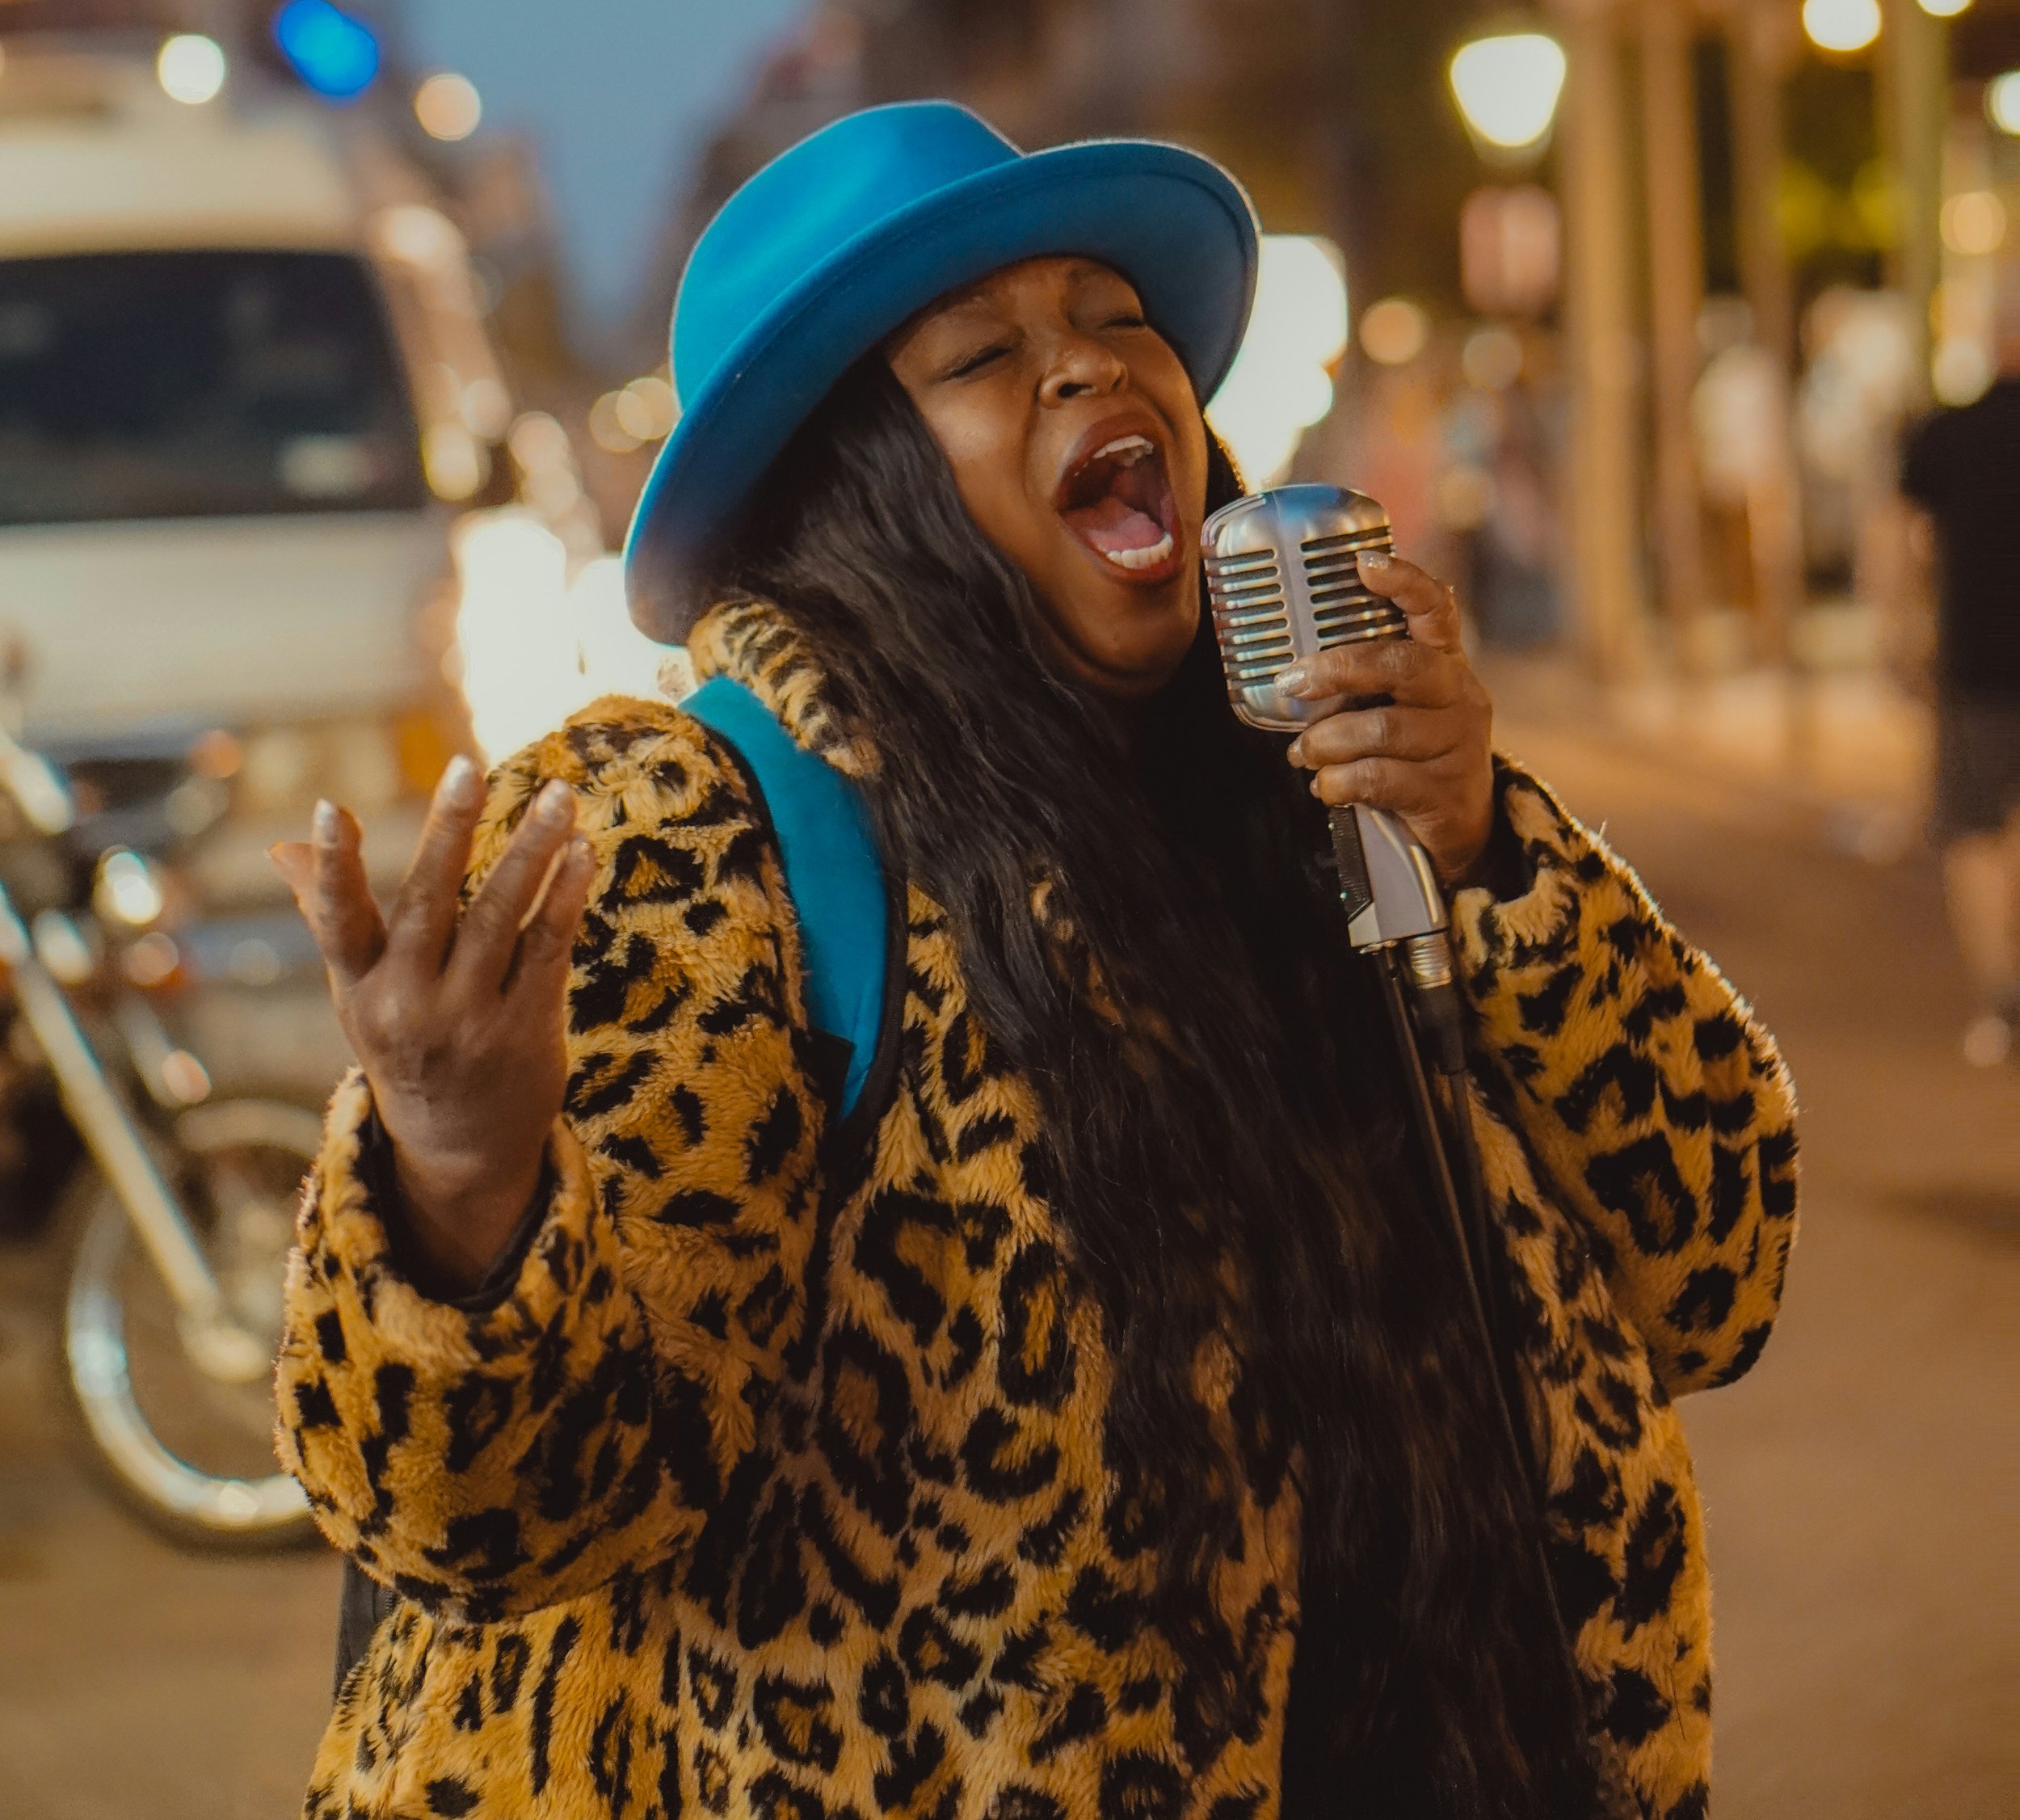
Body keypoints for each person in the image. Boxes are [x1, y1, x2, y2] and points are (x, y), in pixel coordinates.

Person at [272, 102, 1797, 1820]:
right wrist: (462, 1180)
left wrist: (1477, 849)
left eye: (1113, 316)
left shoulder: (1333, 783)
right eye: (983, 357)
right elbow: (493, 1520)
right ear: (854, 482)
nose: (1086, 369)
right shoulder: (687, 839)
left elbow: (1714, 1271)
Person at [1900, 285, 2020, 1066]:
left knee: (1975, 836)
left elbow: (1901, 540)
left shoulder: (1945, 432)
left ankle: (2004, 1004)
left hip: (1976, 660)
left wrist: (1899, 629)